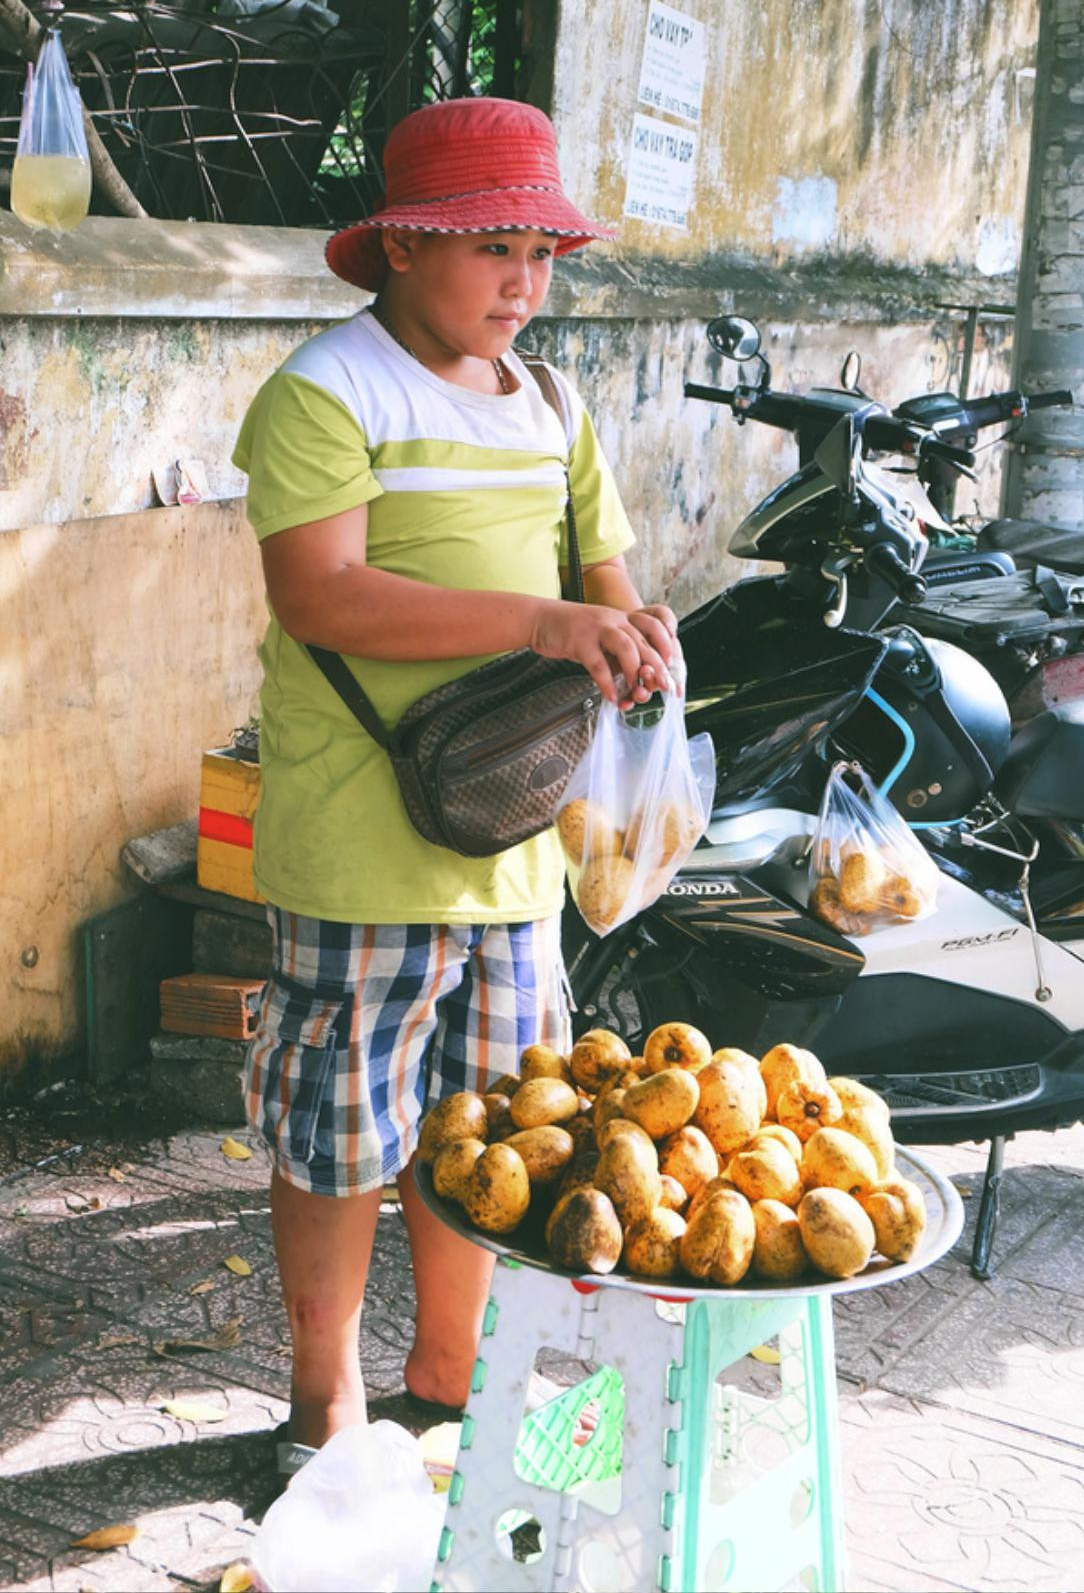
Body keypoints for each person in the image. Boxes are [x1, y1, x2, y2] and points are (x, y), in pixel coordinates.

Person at [231, 96, 677, 1476]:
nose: (524, 284)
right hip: (362, 836)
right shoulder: (326, 391)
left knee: (485, 1130)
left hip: (518, 841)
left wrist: (635, 638)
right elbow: (325, 596)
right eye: (494, 248)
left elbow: (602, 575)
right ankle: (324, 1402)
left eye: (542, 255)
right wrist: (537, 626)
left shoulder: (552, 401)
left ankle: (444, 1376)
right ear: (406, 248)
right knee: (340, 1132)